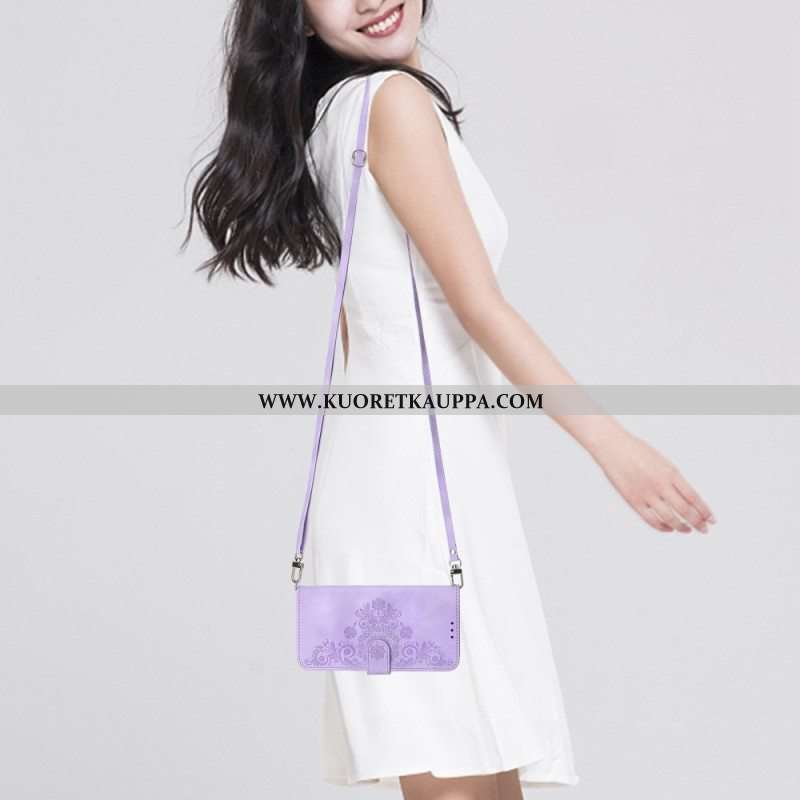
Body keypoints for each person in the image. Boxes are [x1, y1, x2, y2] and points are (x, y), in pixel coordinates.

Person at [184, 2, 716, 798]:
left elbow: (362, 332)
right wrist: (615, 447)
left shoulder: (336, 115)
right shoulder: (391, 104)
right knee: (460, 780)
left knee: (475, 777)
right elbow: (480, 306)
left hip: (389, 506)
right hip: (412, 518)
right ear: (298, 18)